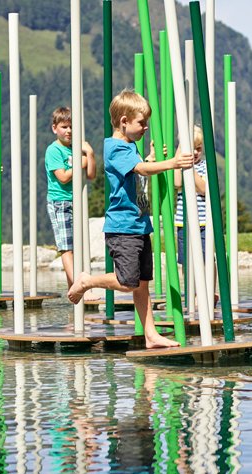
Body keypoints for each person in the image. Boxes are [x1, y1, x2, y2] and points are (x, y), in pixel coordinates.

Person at [65, 90, 193, 349]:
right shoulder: (114, 147)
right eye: (141, 123)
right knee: (127, 281)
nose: (145, 127)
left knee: (142, 284)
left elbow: (138, 171)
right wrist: (172, 163)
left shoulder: (130, 147)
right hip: (122, 227)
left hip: (139, 224)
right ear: (123, 121)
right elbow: (140, 170)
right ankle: (87, 281)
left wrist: (151, 159)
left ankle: (150, 335)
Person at [43, 106, 97, 287]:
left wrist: (89, 154)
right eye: (64, 127)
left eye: (71, 127)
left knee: (77, 247)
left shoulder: (79, 148)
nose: (69, 131)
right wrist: (80, 162)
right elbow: (63, 177)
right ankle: (80, 287)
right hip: (60, 201)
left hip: (76, 201)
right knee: (66, 247)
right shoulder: (54, 150)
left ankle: (73, 290)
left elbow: (91, 175)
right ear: (55, 128)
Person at [174, 126, 218, 308]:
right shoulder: (180, 165)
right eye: (191, 148)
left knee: (208, 259)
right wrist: (180, 156)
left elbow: (203, 188)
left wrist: (190, 168)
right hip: (183, 222)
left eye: (198, 148)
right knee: (186, 260)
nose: (195, 152)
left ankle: (209, 291)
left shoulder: (204, 166)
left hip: (202, 222)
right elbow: (177, 183)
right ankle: (192, 292)